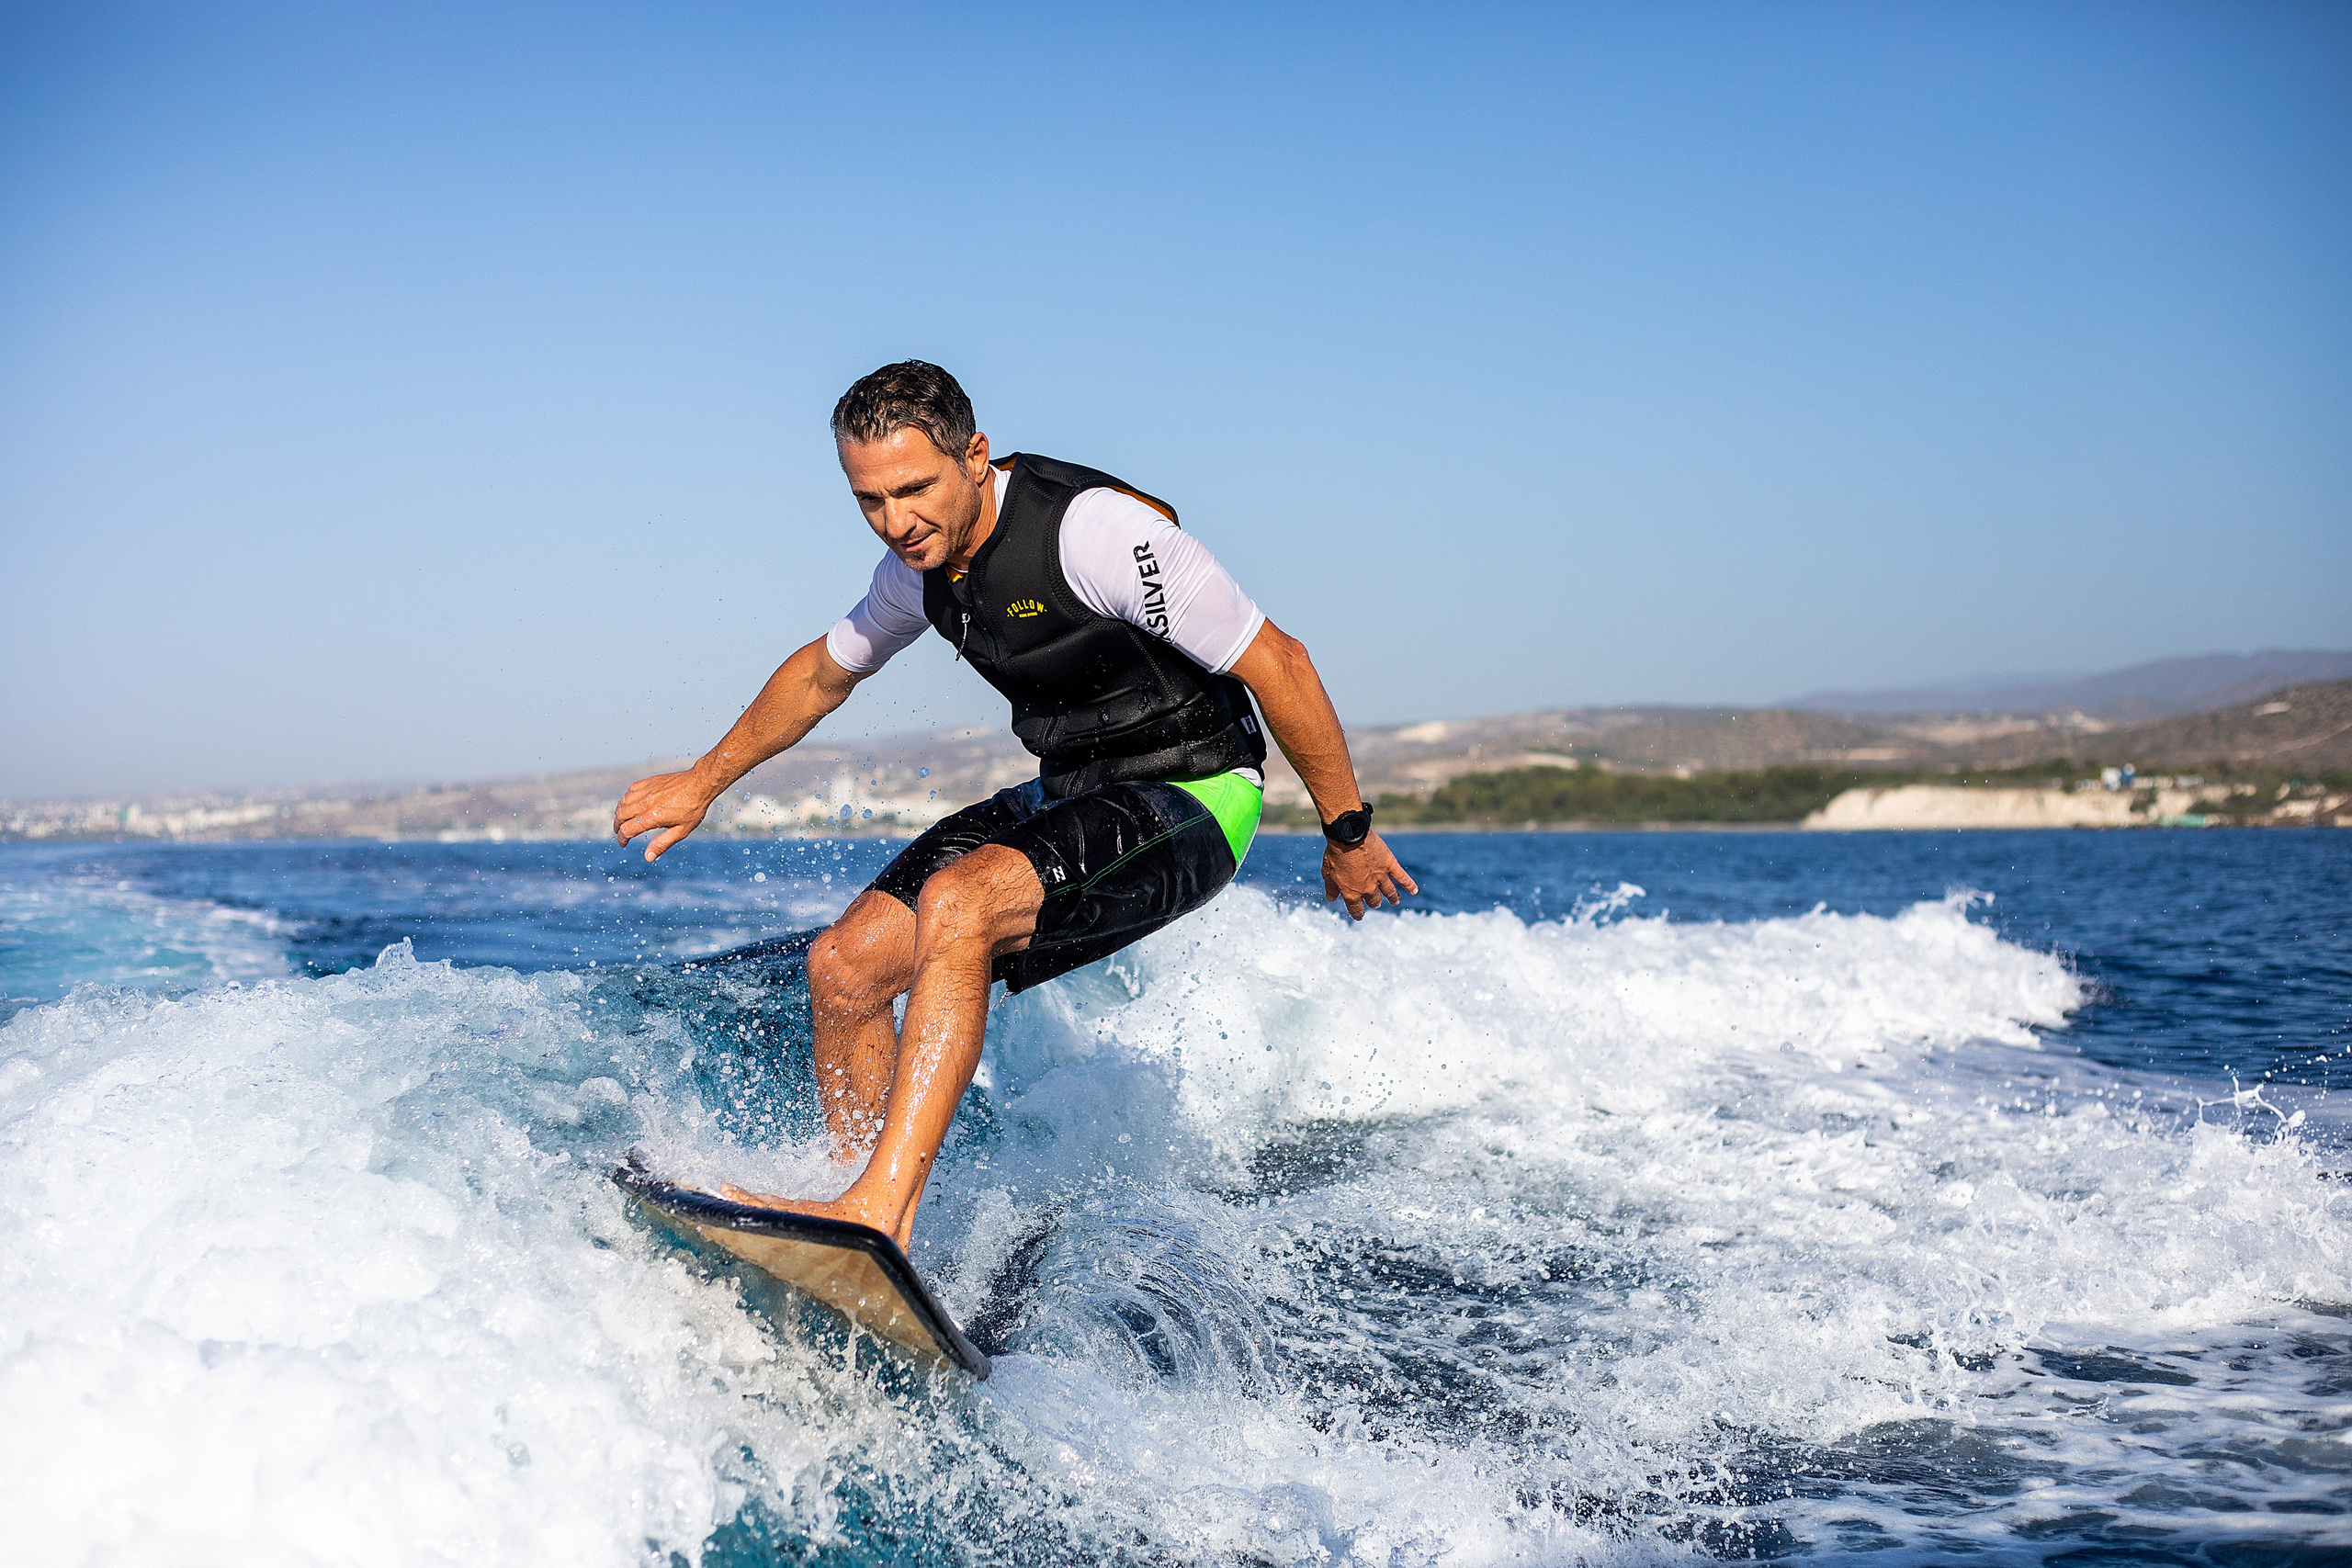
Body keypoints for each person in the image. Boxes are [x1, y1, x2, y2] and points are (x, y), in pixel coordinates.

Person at [614, 361, 1414, 1247]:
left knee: (960, 903)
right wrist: (703, 779)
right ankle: (850, 1217)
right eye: (869, 500)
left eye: (914, 488)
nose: (896, 521)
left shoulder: (1095, 534)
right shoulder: (912, 571)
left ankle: (882, 1209)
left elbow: (1281, 664)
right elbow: (819, 675)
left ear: (974, 456)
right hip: (1070, 788)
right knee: (843, 967)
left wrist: (1348, 832)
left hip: (1195, 790)